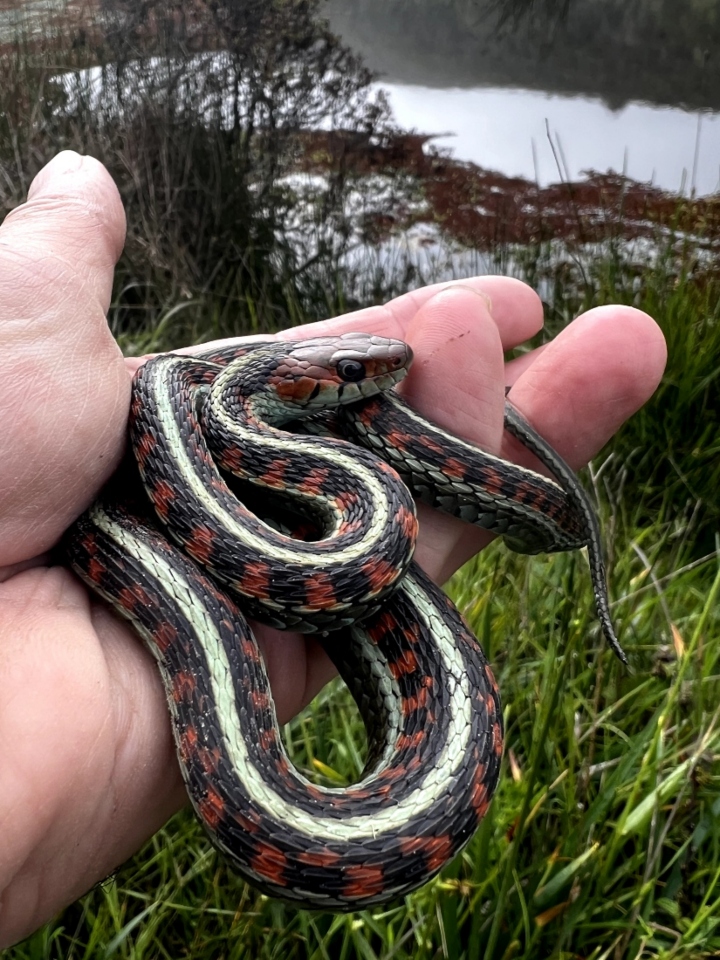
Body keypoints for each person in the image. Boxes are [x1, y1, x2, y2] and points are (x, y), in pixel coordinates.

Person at [0, 151, 667, 946]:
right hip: (156, 529)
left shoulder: (209, 413)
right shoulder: (191, 419)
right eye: (354, 374)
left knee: (375, 528)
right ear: (290, 391)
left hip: (268, 514)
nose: (382, 373)